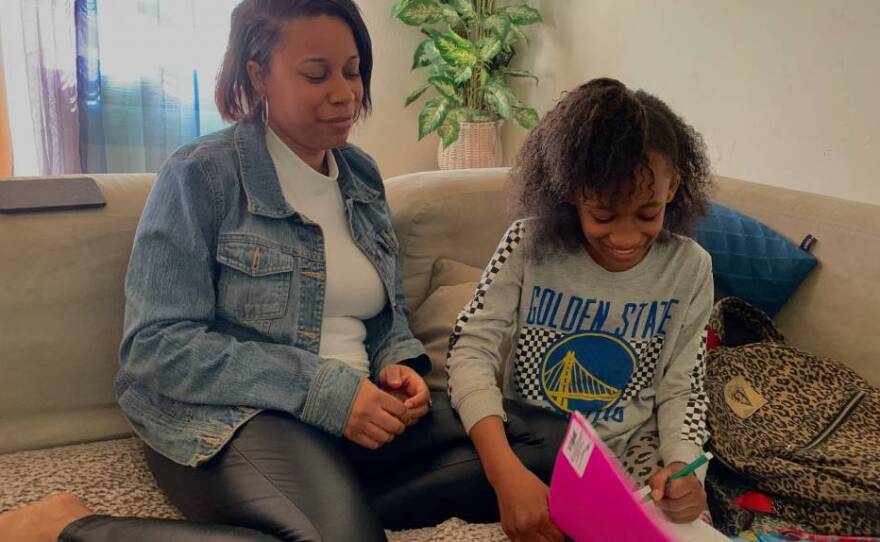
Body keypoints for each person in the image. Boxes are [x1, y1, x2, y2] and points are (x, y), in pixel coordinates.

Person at [0, 1, 562, 541]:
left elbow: (385, 316)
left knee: (556, 446)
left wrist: (397, 364)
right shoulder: (200, 175)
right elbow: (156, 346)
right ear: (259, 75)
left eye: (352, 71)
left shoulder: (361, 176)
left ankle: (322, 510)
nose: (345, 93)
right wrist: (324, 390)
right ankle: (66, 528)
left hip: (357, 412)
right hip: (235, 416)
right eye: (316, 74)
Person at [446, 77, 716, 541]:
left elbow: (684, 388)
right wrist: (504, 474)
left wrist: (684, 469)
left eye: (647, 214)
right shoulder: (527, 244)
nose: (625, 238)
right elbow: (469, 348)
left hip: (632, 453)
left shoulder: (691, 267)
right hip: (532, 443)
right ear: (571, 191)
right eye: (603, 216)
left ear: (672, 187)